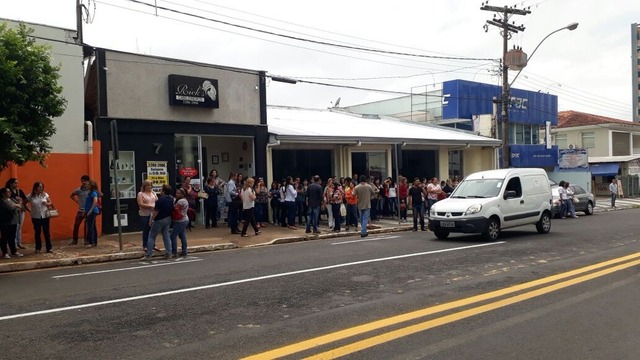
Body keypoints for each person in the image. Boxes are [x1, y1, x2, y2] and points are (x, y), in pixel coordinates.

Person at [143, 185, 174, 260]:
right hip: (168, 218)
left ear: (163, 191)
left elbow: (156, 211)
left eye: (161, 190)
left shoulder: (160, 200)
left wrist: (151, 220)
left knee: (151, 235)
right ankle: (169, 253)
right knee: (166, 235)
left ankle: (149, 255)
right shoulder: (171, 198)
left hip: (159, 219)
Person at [25, 181, 53, 253]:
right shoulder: (30, 196)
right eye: (39, 187)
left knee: (46, 232)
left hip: (45, 216)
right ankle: (38, 248)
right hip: (35, 216)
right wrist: (29, 210)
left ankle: (49, 248)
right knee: (37, 232)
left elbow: (51, 203)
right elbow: (24, 203)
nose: (41, 188)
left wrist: (46, 203)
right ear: (35, 187)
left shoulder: (45, 195)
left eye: (42, 187)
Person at [0, 187, 24, 258]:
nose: (10, 193)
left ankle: (14, 251)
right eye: (7, 192)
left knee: (12, 237)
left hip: (14, 221)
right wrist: (16, 205)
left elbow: (20, 206)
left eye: (10, 191)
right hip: (5, 221)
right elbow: (8, 208)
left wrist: (16, 204)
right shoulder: (1, 201)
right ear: (3, 193)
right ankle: (5, 252)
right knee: (4, 237)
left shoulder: (12, 199)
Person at [5, 178, 27, 250]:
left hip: (20, 210)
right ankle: (14, 244)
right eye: (15, 183)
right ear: (11, 183)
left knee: (19, 227)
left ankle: (19, 242)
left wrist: (23, 205)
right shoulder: (8, 191)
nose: (16, 184)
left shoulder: (19, 191)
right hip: (13, 212)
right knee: (15, 227)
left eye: (17, 183)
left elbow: (25, 199)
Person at [69, 175, 91, 245]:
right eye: (82, 181)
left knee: (86, 225)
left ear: (88, 181)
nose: (83, 183)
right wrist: (76, 201)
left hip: (88, 210)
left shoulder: (91, 190)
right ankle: (75, 240)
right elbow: (71, 195)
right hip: (81, 210)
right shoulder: (78, 190)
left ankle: (86, 240)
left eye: (85, 181)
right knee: (76, 224)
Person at [137, 180, 158, 251]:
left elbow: (157, 201)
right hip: (144, 214)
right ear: (144, 186)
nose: (149, 187)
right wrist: (150, 206)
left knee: (153, 230)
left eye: (150, 185)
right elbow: (140, 204)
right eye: (147, 185)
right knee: (146, 230)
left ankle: (153, 244)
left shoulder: (153, 193)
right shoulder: (141, 194)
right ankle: (145, 245)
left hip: (153, 214)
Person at [170, 188, 189, 257]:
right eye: (176, 193)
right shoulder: (179, 200)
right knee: (182, 235)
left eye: (178, 193)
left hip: (181, 221)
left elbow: (175, 208)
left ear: (183, 194)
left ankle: (174, 251)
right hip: (183, 220)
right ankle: (184, 251)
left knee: (172, 236)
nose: (176, 194)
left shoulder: (181, 201)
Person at [83, 180, 100, 247]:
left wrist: (90, 210)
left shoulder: (93, 193)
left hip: (92, 211)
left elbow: (95, 201)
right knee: (93, 226)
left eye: (88, 185)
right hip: (89, 211)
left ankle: (91, 242)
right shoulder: (90, 193)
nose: (86, 186)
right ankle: (94, 241)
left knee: (90, 227)